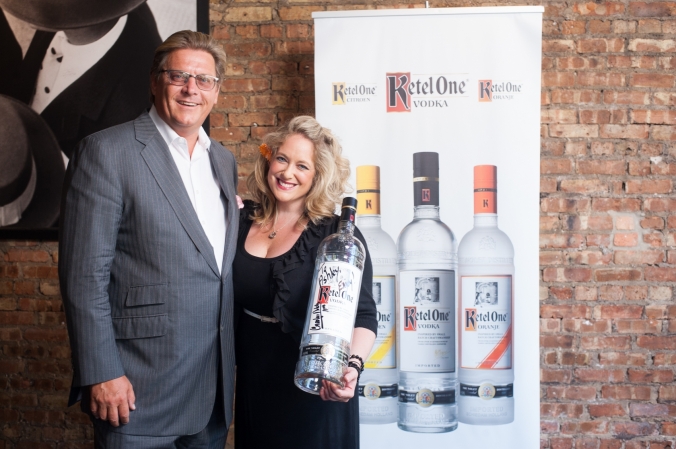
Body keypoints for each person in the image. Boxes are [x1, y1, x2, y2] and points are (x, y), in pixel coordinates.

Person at [59, 30, 238, 448]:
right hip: (137, 386)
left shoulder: (223, 161)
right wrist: (101, 371)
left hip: (210, 388)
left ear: (216, 92)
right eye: (179, 76)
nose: (191, 89)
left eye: (204, 80)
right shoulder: (106, 151)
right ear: (155, 81)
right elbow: (84, 276)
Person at [233, 116, 377, 449]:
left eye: (302, 166)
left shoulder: (337, 234)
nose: (287, 173)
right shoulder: (242, 218)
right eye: (282, 159)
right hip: (256, 376)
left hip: (316, 377)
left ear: (317, 176)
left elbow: (365, 314)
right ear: (269, 160)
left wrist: (352, 367)